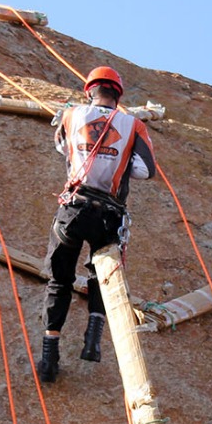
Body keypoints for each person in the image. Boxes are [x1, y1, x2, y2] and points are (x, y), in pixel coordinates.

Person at [36, 66, 156, 383]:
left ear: (90, 91)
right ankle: (92, 339)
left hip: (74, 209)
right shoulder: (134, 126)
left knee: (59, 280)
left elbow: (62, 146)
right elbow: (145, 170)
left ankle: (49, 353)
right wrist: (119, 156)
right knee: (99, 274)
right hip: (109, 214)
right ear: (118, 95)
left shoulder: (72, 114)